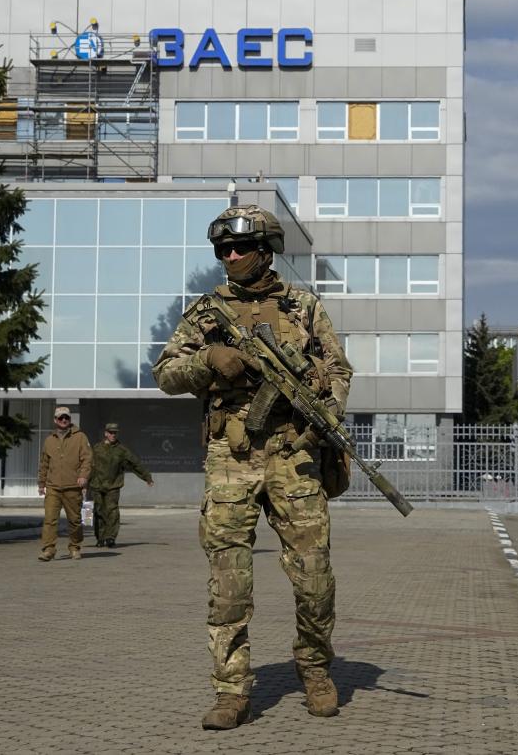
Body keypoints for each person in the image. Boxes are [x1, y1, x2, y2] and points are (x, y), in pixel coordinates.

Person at [152, 199, 352, 730]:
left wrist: (322, 415)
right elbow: (166, 373)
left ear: (266, 252)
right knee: (229, 582)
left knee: (314, 578)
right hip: (231, 459)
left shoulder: (304, 308)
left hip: (295, 454)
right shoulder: (206, 311)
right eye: (223, 249)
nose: (231, 255)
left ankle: (314, 669)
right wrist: (206, 361)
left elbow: (338, 371)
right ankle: (231, 692)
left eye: (240, 247)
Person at [37, 406, 92, 561]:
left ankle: (74, 547)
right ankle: (49, 549)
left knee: (74, 520)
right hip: (53, 487)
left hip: (73, 487)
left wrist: (83, 476)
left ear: (69, 419)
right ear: (55, 420)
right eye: (60, 418)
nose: (63, 420)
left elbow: (87, 459)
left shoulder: (80, 437)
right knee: (49, 519)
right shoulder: (49, 440)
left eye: (66, 418)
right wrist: (41, 483)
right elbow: (44, 464)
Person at [89, 422, 154, 548]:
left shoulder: (122, 450)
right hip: (97, 485)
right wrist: (83, 482)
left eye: (115, 433)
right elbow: (88, 465)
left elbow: (135, 463)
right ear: (106, 433)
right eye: (111, 433)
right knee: (99, 511)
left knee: (112, 511)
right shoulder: (96, 448)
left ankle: (110, 537)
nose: (113, 435)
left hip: (113, 485)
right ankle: (100, 538)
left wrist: (147, 477)